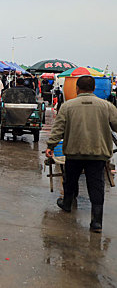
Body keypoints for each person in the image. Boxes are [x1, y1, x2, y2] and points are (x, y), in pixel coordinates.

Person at [46, 76, 117, 233]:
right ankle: (96, 222)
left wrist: (50, 146)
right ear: (93, 88)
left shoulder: (67, 106)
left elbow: (58, 129)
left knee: (70, 179)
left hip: (74, 152)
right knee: (96, 185)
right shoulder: (107, 106)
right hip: (98, 153)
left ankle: (67, 203)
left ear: (77, 88)